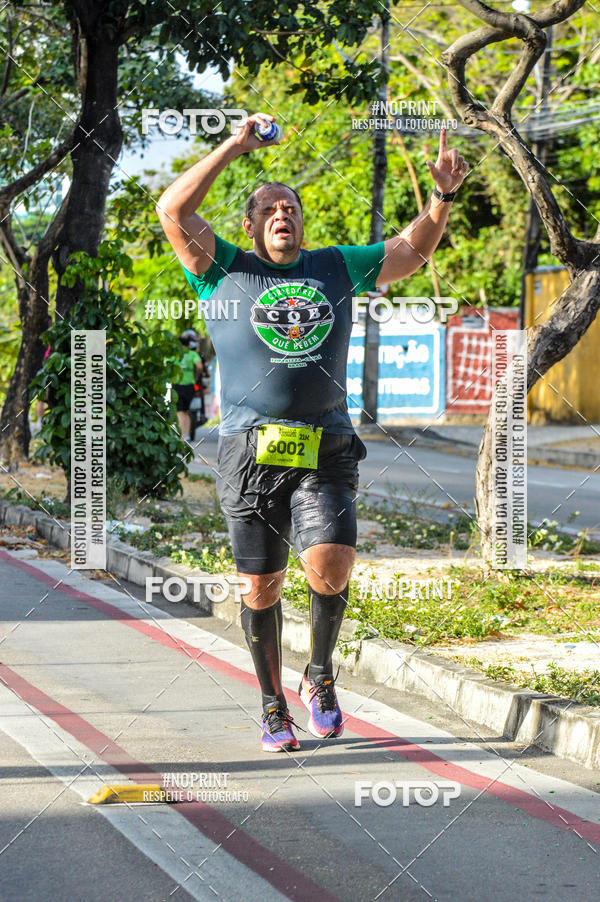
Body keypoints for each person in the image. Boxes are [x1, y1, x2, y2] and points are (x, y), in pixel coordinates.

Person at [156, 113, 468, 752]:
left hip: (324, 443)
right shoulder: (222, 271)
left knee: (330, 564)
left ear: (302, 221)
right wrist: (234, 146)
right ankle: (273, 703)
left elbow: (411, 251)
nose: (281, 215)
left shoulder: (335, 266)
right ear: (249, 226)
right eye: (268, 209)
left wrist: (440, 198)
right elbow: (172, 209)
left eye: (290, 207)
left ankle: (320, 676)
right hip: (247, 452)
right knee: (260, 586)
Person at [172, 329, 204, 441]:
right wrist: (195, 376)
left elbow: (165, 364)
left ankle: (182, 436)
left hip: (177, 385)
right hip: (190, 386)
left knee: (179, 411)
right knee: (186, 411)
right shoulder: (193, 354)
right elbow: (200, 367)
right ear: (188, 344)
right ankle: (187, 435)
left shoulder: (175, 355)